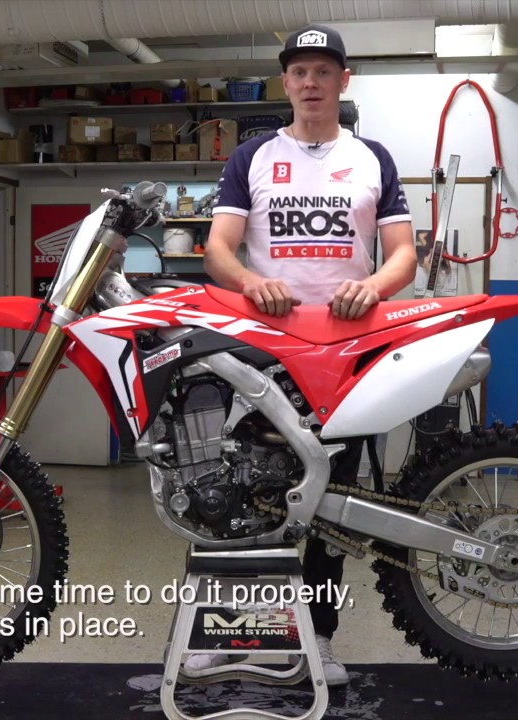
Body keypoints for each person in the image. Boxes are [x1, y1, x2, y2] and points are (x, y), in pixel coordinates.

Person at [192, 23, 416, 686]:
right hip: (262, 352)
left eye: (323, 71)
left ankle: (317, 636)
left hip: (347, 351)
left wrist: (374, 287)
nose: (311, 83)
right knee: (239, 491)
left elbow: (404, 254)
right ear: (285, 82)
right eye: (299, 72)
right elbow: (218, 249)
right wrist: (248, 281)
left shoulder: (373, 158)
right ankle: (226, 629)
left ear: (344, 80)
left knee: (330, 503)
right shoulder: (253, 157)